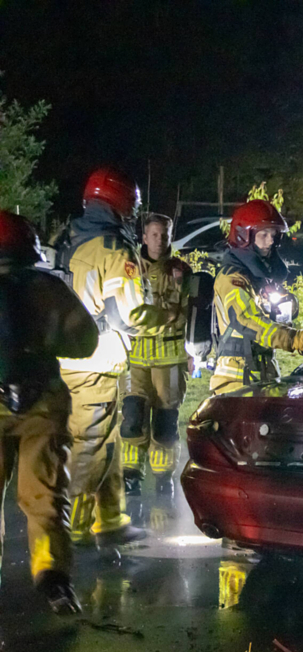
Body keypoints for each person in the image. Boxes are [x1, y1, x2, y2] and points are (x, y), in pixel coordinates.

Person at [0, 211, 98, 614]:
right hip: (42, 403)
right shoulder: (48, 289)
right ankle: (53, 579)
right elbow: (86, 341)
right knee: (44, 496)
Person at [58, 167, 157, 548]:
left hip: (69, 359)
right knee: (91, 449)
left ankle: (111, 519)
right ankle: (74, 527)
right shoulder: (114, 249)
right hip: (96, 364)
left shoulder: (70, 240)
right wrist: (164, 318)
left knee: (106, 442)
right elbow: (131, 315)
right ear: (122, 204)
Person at [210, 200, 303, 395]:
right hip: (237, 381)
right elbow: (248, 319)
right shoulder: (232, 279)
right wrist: (293, 338)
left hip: (262, 374)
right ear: (243, 236)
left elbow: (273, 317)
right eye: (263, 234)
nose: (270, 241)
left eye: (274, 234)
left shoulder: (257, 278)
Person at [120, 214, 191, 496]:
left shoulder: (181, 271)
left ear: (170, 237)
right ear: (144, 237)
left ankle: (163, 479)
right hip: (135, 359)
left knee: (165, 423)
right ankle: (130, 476)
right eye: (154, 234)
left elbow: (187, 312)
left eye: (164, 235)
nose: (159, 240)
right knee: (132, 418)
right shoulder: (128, 268)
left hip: (169, 359)